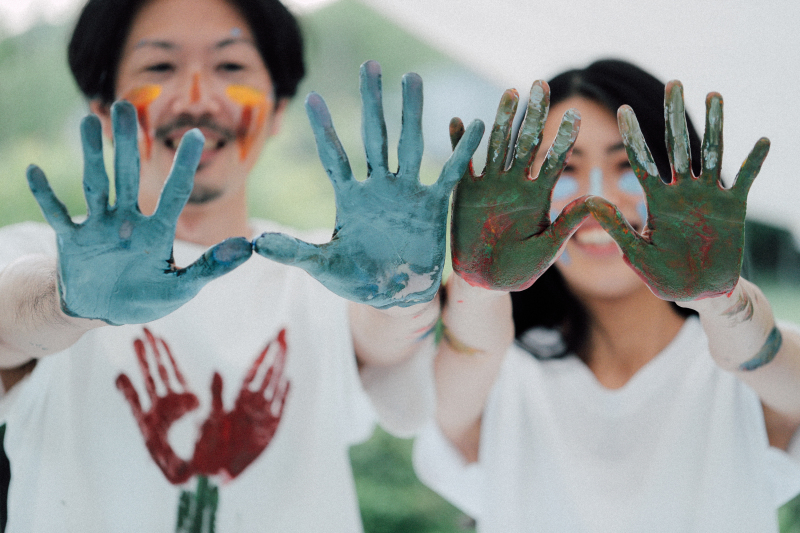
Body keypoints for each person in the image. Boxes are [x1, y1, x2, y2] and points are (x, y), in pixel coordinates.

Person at [0, 0, 485, 531]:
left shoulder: (321, 266)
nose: (197, 98)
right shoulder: (42, 255)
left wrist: (401, 295)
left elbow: (381, 340)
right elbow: (9, 323)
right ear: (102, 111)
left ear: (278, 110)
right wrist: (68, 302)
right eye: (159, 67)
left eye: (230, 67)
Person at [412, 59, 800, 532]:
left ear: (687, 175)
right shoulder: (499, 376)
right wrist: (479, 285)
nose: (599, 201)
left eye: (627, 164)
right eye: (566, 168)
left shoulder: (747, 379)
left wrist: (720, 298)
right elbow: (449, 399)